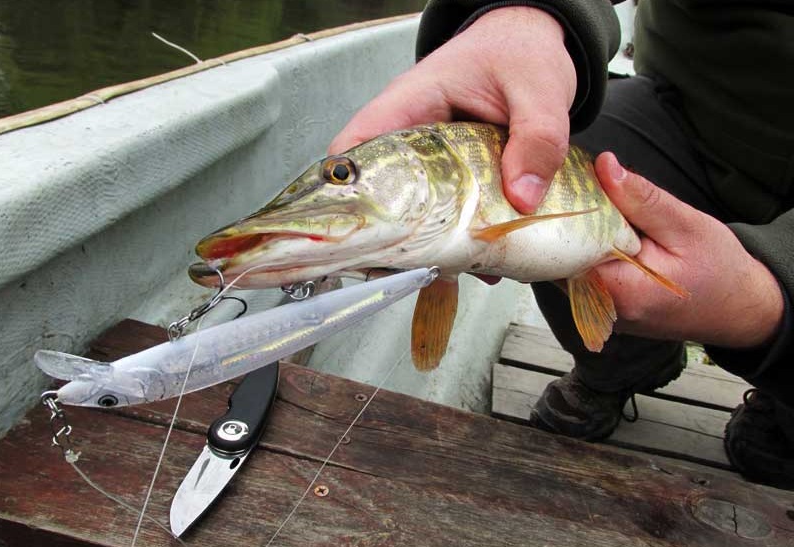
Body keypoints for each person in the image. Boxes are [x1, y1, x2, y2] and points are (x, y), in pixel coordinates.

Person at [329, 0, 794, 488]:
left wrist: (766, 306)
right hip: (690, 112)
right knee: (554, 151)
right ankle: (618, 371)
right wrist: (527, 13)